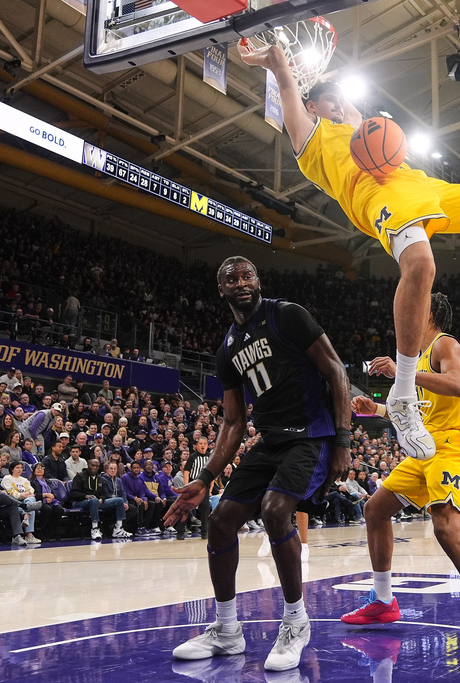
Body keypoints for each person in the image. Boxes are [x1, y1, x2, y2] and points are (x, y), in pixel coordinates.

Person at [237, 44, 460, 463]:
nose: (338, 103)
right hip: (375, 195)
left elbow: (347, 96)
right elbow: (287, 88)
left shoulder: (358, 121)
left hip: (423, 185)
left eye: (341, 98)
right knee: (422, 264)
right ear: (310, 105)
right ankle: (404, 393)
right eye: (328, 99)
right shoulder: (310, 136)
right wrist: (278, 61)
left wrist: (324, 62)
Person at [165, 257, 351, 672]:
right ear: (222, 290)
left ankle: (296, 622)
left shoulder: (287, 315)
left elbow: (336, 370)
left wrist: (343, 440)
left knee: (274, 510)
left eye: (247, 275)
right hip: (270, 441)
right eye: (231, 278)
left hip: (311, 433)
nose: (241, 282)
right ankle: (227, 631)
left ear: (258, 280)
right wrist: (205, 478)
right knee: (220, 520)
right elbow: (233, 422)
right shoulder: (226, 349)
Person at [341, 293, 460, 657]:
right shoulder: (418, 360)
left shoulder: (444, 344)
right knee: (374, 509)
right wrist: (374, 407)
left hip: (453, 443)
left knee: (445, 529)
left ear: (428, 314)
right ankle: (383, 600)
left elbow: (456, 384)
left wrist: (401, 372)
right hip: (427, 444)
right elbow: (414, 416)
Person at [69, 458, 132, 540]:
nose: (94, 468)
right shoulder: (79, 476)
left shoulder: (100, 478)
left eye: (97, 466)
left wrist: (102, 498)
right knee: (94, 500)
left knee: (119, 500)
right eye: (92, 465)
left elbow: (103, 494)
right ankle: (95, 529)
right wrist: (85, 496)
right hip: (79, 502)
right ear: (88, 465)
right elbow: (74, 494)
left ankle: (118, 529)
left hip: (95, 501)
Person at [2, 462, 42, 545]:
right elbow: (8, 492)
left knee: (31, 501)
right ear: (12, 469)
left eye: (21, 468)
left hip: (25, 501)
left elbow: (31, 490)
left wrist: (27, 494)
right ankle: (29, 535)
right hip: (13, 502)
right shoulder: (7, 478)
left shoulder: (24, 479)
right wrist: (21, 495)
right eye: (17, 467)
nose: (20, 470)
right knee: (31, 508)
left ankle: (27, 516)